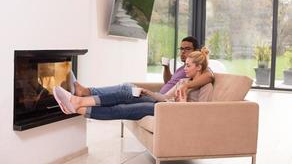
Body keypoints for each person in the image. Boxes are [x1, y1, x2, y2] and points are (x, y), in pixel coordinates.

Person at [52, 48, 213, 120]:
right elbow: (164, 97)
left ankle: (78, 105)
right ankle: (78, 103)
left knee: (122, 109)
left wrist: (182, 104)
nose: (185, 68)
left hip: (172, 113)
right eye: (185, 65)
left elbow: (200, 113)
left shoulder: (206, 86)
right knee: (126, 92)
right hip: (163, 104)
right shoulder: (184, 81)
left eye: (188, 66)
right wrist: (147, 92)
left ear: (199, 67)